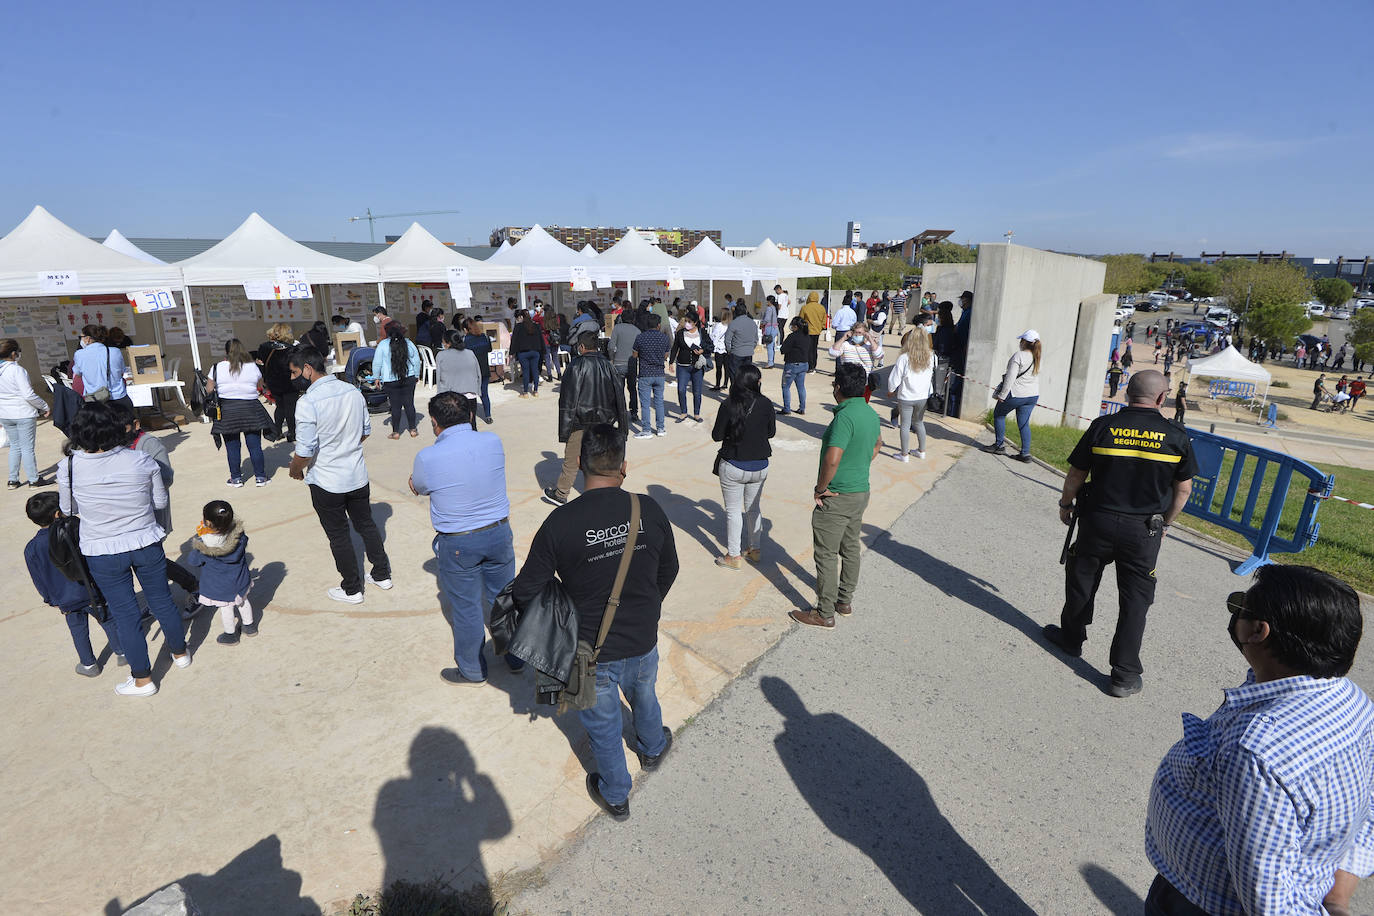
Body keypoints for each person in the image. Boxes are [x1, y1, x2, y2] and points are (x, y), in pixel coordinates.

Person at [1144, 565, 1373, 916]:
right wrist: (1338, 894)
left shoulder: (1257, 752)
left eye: (1240, 608)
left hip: (1202, 904)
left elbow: (1269, 902)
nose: (1235, 614)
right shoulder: (1353, 702)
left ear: (1257, 632)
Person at [513, 424, 679, 820]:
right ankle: (653, 748)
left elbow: (525, 591)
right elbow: (668, 569)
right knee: (644, 695)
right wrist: (645, 609)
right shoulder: (648, 509)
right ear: (624, 466)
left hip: (586, 652)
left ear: (581, 465)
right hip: (642, 639)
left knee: (603, 727)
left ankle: (617, 794)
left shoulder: (560, 523)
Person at [1046, 370, 1197, 698]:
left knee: (1082, 582)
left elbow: (1076, 473)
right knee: (1135, 602)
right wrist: (1166, 523)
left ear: (1127, 395)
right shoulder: (1176, 436)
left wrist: (1065, 504)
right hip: (1143, 531)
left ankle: (1071, 640)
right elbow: (1183, 491)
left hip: (1096, 521)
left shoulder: (1103, 427)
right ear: (1161, 398)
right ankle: (1124, 675)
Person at [59, 401, 190, 696]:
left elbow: (68, 508)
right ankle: (180, 653)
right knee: (162, 600)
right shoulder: (140, 460)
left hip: (101, 548)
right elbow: (159, 502)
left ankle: (143, 679)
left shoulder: (68, 467)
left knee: (125, 613)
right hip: (145, 540)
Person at [411, 392, 516, 686]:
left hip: (458, 542)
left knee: (467, 607)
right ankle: (516, 656)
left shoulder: (428, 456)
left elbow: (419, 485)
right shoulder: (492, 441)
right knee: (504, 598)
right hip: (498, 532)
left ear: (434, 423)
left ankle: (472, 669)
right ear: (470, 415)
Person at [288, 347, 392, 604]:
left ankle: (352, 589)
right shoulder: (353, 391)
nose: (292, 378)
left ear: (308, 370)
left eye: (294, 372)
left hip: (326, 481)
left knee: (338, 535)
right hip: (356, 475)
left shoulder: (307, 402)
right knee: (366, 524)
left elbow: (304, 449)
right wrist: (346, 446)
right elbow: (366, 431)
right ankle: (381, 574)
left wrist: (295, 469)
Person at [791, 363, 881, 629]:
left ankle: (824, 611)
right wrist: (860, 464)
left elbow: (832, 459)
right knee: (850, 547)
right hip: (860, 492)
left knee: (827, 554)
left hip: (837, 495)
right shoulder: (869, 413)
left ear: (838, 387)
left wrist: (820, 488)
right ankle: (844, 601)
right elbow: (877, 445)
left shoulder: (844, 418)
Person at [24, 490, 124, 676]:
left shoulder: (31, 548)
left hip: (64, 598)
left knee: (78, 630)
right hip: (89, 591)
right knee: (108, 619)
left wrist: (49, 598)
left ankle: (88, 664)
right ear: (57, 514)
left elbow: (38, 578)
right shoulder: (74, 530)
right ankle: (122, 652)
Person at [543, 331, 627, 506]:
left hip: (579, 422)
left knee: (572, 459)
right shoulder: (608, 365)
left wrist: (564, 430)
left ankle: (561, 493)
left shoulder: (575, 366)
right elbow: (620, 397)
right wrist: (623, 427)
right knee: (603, 459)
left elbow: (567, 400)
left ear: (581, 347)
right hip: (605, 422)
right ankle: (607, 491)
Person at [711, 364, 775, 569]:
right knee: (753, 508)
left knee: (733, 511)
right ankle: (754, 549)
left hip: (734, 464)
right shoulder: (766, 403)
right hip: (760, 465)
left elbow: (716, 436)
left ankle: (734, 556)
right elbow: (771, 432)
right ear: (756, 383)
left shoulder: (729, 404)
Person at [207, 338, 279, 488]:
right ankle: (260, 477)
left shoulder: (217, 367)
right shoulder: (252, 366)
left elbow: (209, 389)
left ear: (226, 352)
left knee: (232, 447)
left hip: (228, 410)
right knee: (254, 446)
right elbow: (260, 385)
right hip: (251, 409)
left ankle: (236, 478)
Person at [187, 500, 255, 646]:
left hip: (220, 587)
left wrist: (198, 544)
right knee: (243, 600)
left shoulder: (204, 544)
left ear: (208, 523)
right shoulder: (239, 535)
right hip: (240, 579)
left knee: (226, 608)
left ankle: (231, 634)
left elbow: (193, 561)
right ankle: (249, 626)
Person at [980, 331, 1042, 463]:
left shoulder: (1019, 356)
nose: (1019, 342)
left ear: (1025, 342)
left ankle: (999, 445)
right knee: (1024, 424)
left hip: (1016, 393)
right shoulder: (1038, 357)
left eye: (1021, 340)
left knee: (999, 415)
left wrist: (1002, 394)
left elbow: (1010, 377)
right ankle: (1025, 454)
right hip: (1032, 395)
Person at [0, 338, 53, 488]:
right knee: (27, 448)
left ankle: (13, 480)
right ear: (13, 353)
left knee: (15, 446)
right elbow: (28, 394)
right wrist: (44, 405)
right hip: (23, 413)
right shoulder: (17, 370)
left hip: (5, 414)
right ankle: (34, 480)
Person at [886, 327, 935, 462]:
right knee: (919, 422)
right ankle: (921, 451)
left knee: (905, 425)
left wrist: (891, 390)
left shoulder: (904, 358)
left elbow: (894, 378)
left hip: (906, 396)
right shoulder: (932, 356)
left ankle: (904, 455)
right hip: (923, 396)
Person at [374, 323, 421, 438]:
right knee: (409, 404)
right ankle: (413, 429)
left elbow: (377, 362)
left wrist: (376, 377)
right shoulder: (409, 343)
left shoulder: (383, 345)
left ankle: (396, 432)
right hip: (408, 377)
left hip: (390, 380)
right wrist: (416, 374)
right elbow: (416, 360)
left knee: (395, 406)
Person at [71, 324, 131, 410]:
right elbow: (121, 372)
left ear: (87, 338)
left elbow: (78, 373)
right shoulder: (115, 351)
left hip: (95, 400)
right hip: (118, 398)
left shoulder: (79, 354)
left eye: (81, 337)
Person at [255, 323, 298, 442]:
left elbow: (260, 362)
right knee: (290, 407)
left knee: (280, 406)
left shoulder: (264, 347)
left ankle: (278, 431)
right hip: (289, 381)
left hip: (272, 381)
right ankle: (292, 433)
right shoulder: (291, 348)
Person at [633, 314, 672, 439]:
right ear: (658, 325)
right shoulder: (664, 338)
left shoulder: (640, 337)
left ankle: (646, 430)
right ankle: (660, 428)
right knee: (659, 402)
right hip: (659, 373)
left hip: (645, 373)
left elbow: (634, 355)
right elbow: (666, 356)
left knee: (645, 404)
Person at [669, 311, 711, 423]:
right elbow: (675, 348)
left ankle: (696, 414)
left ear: (696, 322)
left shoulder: (702, 333)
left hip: (697, 367)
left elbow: (710, 345)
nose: (686, 323)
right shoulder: (680, 333)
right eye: (686, 321)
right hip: (682, 366)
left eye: (689, 321)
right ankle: (683, 412)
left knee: (697, 392)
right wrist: (671, 362)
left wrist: (703, 350)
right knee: (681, 389)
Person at [435, 329, 483, 412]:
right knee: (471, 423)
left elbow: (438, 378)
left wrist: (440, 395)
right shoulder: (470, 353)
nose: (442, 344)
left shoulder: (441, 355)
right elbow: (478, 374)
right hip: (470, 395)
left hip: (451, 397)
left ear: (448, 343)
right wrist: (477, 390)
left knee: (454, 423)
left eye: (443, 342)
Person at [607, 307, 640, 419]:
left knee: (619, 390)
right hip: (632, 364)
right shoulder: (637, 330)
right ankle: (634, 412)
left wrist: (611, 359)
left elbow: (611, 347)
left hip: (618, 363)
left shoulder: (617, 328)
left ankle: (620, 412)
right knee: (632, 388)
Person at [462, 318, 494, 423]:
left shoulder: (465, 340)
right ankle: (488, 415)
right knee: (484, 393)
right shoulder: (485, 337)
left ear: (466, 329)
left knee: (470, 395)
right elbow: (489, 349)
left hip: (471, 371)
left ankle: (470, 418)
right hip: (484, 369)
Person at [778, 316, 811, 416]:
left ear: (795, 326)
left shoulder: (792, 336)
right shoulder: (807, 336)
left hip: (792, 365)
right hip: (804, 364)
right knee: (801, 387)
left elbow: (783, 349)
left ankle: (787, 409)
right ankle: (802, 408)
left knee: (785, 386)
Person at [948, 291, 973, 417]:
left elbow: (962, 329)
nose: (961, 302)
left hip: (963, 349)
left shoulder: (970, 313)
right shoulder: (965, 312)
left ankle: (954, 410)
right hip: (959, 348)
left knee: (958, 381)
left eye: (963, 300)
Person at [511, 312, 546, 399]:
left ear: (521, 317)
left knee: (525, 372)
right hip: (535, 352)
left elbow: (514, 340)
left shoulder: (518, 327)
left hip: (523, 353)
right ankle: (536, 391)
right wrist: (543, 351)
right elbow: (541, 339)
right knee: (535, 371)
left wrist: (512, 352)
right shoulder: (536, 326)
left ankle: (525, 392)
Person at [723, 301, 759, 383]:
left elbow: (727, 339)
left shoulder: (733, 323)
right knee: (746, 376)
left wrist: (729, 350)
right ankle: (745, 393)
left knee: (735, 376)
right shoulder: (752, 323)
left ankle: (735, 394)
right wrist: (750, 348)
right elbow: (755, 339)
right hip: (749, 353)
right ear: (746, 311)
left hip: (736, 352)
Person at [799, 291, 826, 371]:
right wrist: (821, 327)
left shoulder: (805, 307)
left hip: (807, 331)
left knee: (807, 349)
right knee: (814, 349)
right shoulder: (821, 308)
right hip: (817, 332)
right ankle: (813, 365)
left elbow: (800, 319)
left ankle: (808, 365)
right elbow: (824, 321)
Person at [708, 309, 730, 389]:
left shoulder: (719, 325)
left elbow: (714, 336)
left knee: (719, 368)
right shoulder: (730, 325)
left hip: (719, 348)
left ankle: (717, 384)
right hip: (727, 349)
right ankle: (725, 383)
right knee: (727, 368)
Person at [760, 296, 780, 368]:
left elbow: (767, 319)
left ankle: (770, 363)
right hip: (774, 328)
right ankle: (771, 361)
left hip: (769, 328)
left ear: (769, 301)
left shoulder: (769, 308)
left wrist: (762, 324)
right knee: (772, 346)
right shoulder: (774, 308)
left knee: (769, 346)